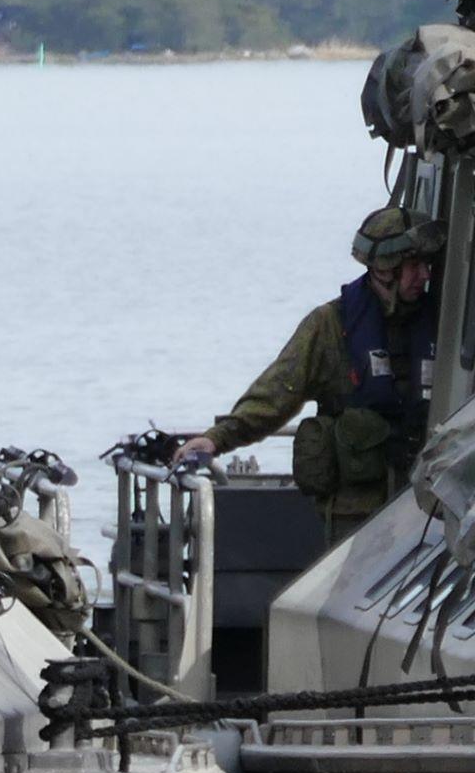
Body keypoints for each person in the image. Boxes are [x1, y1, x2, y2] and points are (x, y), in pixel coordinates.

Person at [173, 202, 440, 540]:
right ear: (385, 269)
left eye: (426, 265)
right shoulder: (330, 327)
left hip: (426, 510)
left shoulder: (444, 324)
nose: (424, 276)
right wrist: (216, 439)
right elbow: (276, 392)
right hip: (356, 516)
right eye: (414, 265)